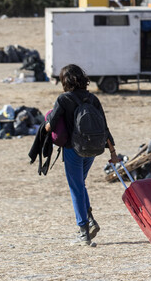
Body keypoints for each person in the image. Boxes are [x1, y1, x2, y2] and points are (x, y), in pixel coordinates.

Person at [45, 64, 118, 246]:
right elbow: (104, 127)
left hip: (73, 150)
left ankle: (84, 231)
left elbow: (51, 126)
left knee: (76, 188)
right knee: (80, 185)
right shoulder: (93, 98)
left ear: (64, 81)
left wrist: (45, 121)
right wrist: (113, 152)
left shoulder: (63, 100)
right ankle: (90, 219)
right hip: (93, 149)